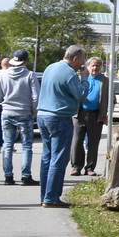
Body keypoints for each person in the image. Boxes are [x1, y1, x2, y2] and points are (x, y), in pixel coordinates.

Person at [36, 45, 88, 208]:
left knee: (47, 156)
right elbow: (81, 96)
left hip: (42, 115)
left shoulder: (50, 68)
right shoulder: (70, 74)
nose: (83, 63)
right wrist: (84, 78)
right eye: (82, 60)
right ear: (75, 58)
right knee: (58, 158)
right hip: (60, 117)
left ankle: (44, 194)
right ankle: (51, 197)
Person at [0, 49, 39, 185]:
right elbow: (36, 96)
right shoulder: (30, 75)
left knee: (7, 144)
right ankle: (26, 176)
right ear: (25, 61)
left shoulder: (3, 75)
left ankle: (8, 176)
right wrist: (33, 112)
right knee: (26, 145)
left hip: (7, 112)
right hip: (24, 113)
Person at [71, 57, 109, 176]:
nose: (95, 68)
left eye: (97, 66)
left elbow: (111, 99)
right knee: (77, 141)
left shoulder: (105, 81)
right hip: (80, 113)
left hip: (96, 114)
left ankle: (90, 168)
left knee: (93, 142)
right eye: (92, 65)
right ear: (87, 67)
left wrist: (107, 115)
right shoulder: (80, 79)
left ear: (101, 67)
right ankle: (76, 167)